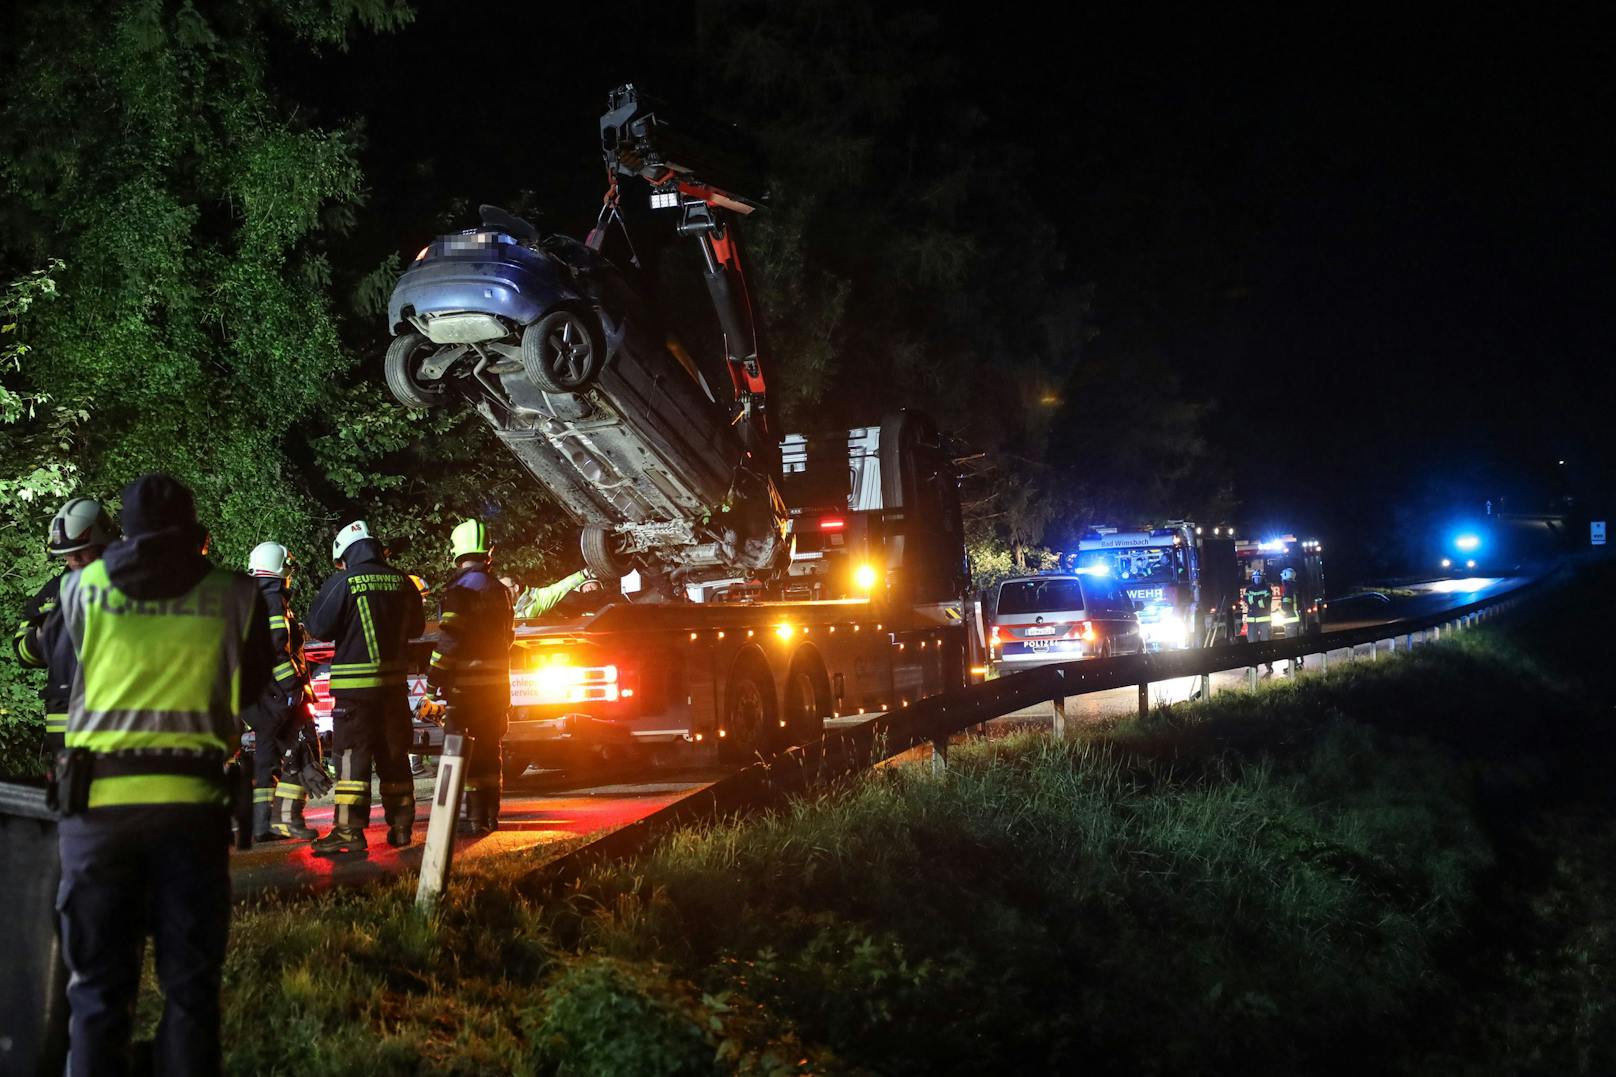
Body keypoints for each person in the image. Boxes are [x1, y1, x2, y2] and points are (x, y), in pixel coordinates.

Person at [44, 473, 271, 1076]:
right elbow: (249, 688)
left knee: (95, 990)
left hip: (97, 814)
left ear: (126, 531)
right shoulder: (237, 594)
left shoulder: (83, 589)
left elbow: (63, 676)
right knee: (192, 991)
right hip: (191, 812)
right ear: (197, 533)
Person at [304, 519, 425, 854]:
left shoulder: (343, 582)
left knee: (351, 762)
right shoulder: (403, 581)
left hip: (355, 696)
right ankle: (401, 826)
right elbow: (416, 627)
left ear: (344, 555)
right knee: (395, 757)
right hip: (394, 691)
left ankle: (349, 832)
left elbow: (317, 627)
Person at [11, 498, 118, 756]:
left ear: (105, 542)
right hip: (65, 723)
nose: (75, 559)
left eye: (83, 550)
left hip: (119, 718)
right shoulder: (52, 594)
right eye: (68, 554)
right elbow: (22, 653)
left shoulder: (129, 585)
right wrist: (42, 636)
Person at [429, 520, 515, 834]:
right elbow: (509, 638)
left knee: (458, 751)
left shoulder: (459, 591)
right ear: (487, 551)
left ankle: (467, 818)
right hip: (496, 688)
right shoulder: (501, 591)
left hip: (465, 690)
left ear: (457, 552)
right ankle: (490, 816)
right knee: (491, 752)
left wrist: (434, 678)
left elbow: (449, 638)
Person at [241, 542, 326, 840]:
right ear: (282, 570)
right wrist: (294, 687)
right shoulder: (273, 600)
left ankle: (262, 824)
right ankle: (288, 820)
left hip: (262, 702)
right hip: (282, 697)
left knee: (266, 758)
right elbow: (277, 648)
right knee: (302, 752)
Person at [513, 568, 591, 619]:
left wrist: (583, 574)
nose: (502, 592)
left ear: (516, 588)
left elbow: (560, 587)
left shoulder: (536, 598)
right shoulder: (505, 610)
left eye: (505, 588)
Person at [1243, 569, 1276, 677]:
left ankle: (1268, 665)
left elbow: (1265, 602)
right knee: (1252, 646)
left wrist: (1254, 601)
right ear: (1253, 578)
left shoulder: (1267, 588)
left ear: (1262, 578)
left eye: (1259, 578)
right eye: (1255, 578)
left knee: (1266, 645)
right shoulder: (1249, 589)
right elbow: (1248, 600)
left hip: (1264, 621)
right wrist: (1258, 601)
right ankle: (1253, 667)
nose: (1257, 580)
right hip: (1252, 622)